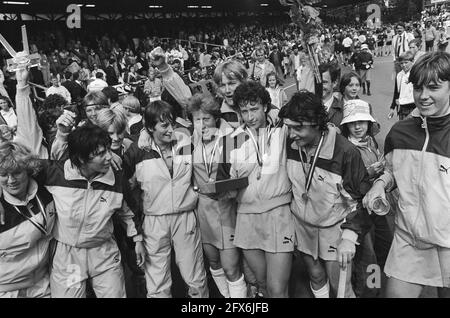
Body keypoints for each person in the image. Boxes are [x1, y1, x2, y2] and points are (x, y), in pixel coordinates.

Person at [363, 51, 450, 298]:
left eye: (433, 88)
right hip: (408, 240)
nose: (423, 96)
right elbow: (392, 168)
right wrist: (380, 183)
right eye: (418, 87)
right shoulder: (400, 132)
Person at [279, 91, 372, 298]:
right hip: (303, 227)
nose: (292, 134)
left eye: (298, 128)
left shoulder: (345, 152)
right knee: (316, 275)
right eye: (289, 127)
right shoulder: (292, 144)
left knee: (341, 286)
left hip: (334, 230)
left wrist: (349, 237)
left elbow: (361, 199)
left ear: (316, 123)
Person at [123, 100, 209, 298]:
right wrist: (135, 229)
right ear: (150, 127)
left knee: (195, 278)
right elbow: (124, 190)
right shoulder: (137, 151)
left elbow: (198, 113)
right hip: (154, 221)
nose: (171, 130)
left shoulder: (186, 141)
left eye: (172, 123)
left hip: (185, 217)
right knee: (157, 283)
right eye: (164, 125)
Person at [218, 81, 295, 298]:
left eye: (254, 109)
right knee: (262, 284)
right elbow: (224, 187)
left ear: (265, 107)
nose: (250, 116)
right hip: (246, 217)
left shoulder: (282, 132)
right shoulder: (230, 141)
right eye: (244, 111)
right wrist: (226, 188)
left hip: (278, 215)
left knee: (278, 289)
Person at [187, 93, 247, 298]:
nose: (202, 124)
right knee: (213, 262)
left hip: (225, 207)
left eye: (206, 119)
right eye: (197, 119)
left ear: (216, 120)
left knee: (231, 267)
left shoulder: (230, 139)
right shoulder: (191, 139)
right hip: (203, 209)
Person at [340, 99, 394, 298]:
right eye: (353, 123)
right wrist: (369, 173)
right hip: (359, 214)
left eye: (362, 121)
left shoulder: (371, 141)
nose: (357, 126)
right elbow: (348, 185)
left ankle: (375, 288)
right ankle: (369, 293)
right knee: (367, 258)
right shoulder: (345, 149)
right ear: (345, 125)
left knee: (383, 250)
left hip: (378, 209)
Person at [0, 142, 56, 298]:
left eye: (16, 172)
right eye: (4, 174)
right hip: (6, 289)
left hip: (42, 282)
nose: (11, 180)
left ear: (28, 170)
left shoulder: (45, 189)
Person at [213, 60, 247, 129]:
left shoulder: (260, 107)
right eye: (222, 85)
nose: (227, 90)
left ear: (243, 82)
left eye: (232, 84)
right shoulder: (215, 113)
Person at [389, 51, 416, 120]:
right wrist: (392, 108)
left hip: (414, 107)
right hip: (402, 108)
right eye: (401, 63)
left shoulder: (417, 74)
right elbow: (397, 92)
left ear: (412, 61)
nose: (404, 65)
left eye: (406, 62)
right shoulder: (399, 75)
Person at [319, 62, 342, 129]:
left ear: (334, 83)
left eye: (324, 82)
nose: (319, 86)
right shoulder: (306, 108)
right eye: (317, 82)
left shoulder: (343, 109)